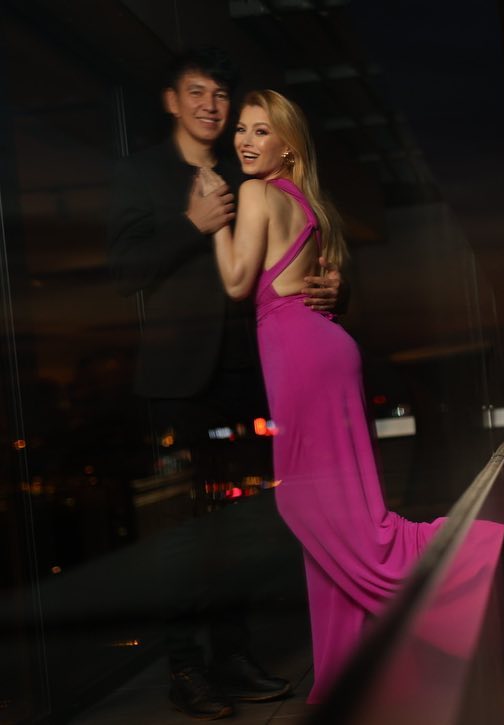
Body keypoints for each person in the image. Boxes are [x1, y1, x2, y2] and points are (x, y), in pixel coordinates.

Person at [108, 48, 341, 719]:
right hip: (177, 380)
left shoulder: (251, 168)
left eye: (220, 95)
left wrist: (332, 286)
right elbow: (125, 272)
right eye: (196, 92)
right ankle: (187, 669)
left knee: (241, 526)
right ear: (171, 101)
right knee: (180, 534)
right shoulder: (141, 174)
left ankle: (234, 657)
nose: (211, 106)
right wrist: (194, 225)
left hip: (249, 373)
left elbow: (295, 254)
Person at [208, 89, 441, 704]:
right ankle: (349, 670)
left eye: (261, 131)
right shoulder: (305, 202)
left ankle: (439, 559)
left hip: (300, 354)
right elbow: (314, 280)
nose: (245, 141)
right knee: (343, 507)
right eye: (241, 130)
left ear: (288, 146)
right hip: (326, 347)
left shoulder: (256, 194)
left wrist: (214, 227)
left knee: (307, 504)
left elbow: (237, 281)